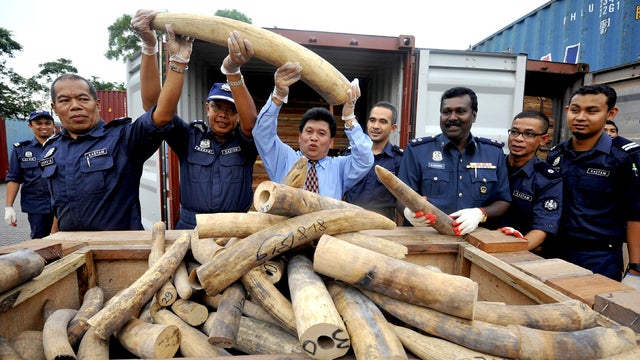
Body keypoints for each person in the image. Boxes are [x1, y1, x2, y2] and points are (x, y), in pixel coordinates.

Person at [38, 23, 193, 231]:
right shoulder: (51, 150)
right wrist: (54, 243)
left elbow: (161, 114)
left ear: (97, 104)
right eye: (65, 100)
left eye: (83, 98)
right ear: (55, 108)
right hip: (71, 250)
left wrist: (176, 61)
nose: (75, 106)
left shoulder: (123, 139)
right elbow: (60, 208)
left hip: (121, 251)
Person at [133, 9, 259, 229]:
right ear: (206, 108)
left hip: (235, 231)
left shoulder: (245, 143)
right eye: (217, 107)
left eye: (231, 110)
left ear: (238, 115)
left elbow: (252, 124)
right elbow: (155, 109)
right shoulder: (189, 136)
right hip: (191, 229)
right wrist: (159, 51)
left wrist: (234, 72)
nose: (223, 115)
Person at [545, 84, 640, 286]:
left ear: (611, 113)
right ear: (567, 111)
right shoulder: (556, 154)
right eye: (576, 109)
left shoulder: (626, 156)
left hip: (598, 259)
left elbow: (636, 214)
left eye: (592, 111)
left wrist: (636, 268)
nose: (580, 117)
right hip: (553, 253)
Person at [398, 86, 511, 236]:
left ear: (474, 115)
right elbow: (401, 196)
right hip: (425, 238)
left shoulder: (493, 153)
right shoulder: (417, 150)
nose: (452, 117)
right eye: (446, 112)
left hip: (475, 240)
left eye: (460, 111)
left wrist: (480, 213)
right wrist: (408, 212)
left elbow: (503, 201)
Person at [252, 61, 374, 200]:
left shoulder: (339, 167)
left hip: (328, 222)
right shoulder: (284, 158)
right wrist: (278, 95)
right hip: (287, 222)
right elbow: (262, 134)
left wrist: (349, 117)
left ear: (331, 142)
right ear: (299, 137)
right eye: (309, 131)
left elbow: (365, 159)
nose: (314, 138)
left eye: (322, 133)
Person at [496, 110, 562, 251]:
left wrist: (511, 251)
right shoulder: (493, 166)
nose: (518, 138)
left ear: (544, 139)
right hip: (481, 242)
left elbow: (542, 228)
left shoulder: (547, 179)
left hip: (519, 249)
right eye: (514, 132)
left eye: (529, 134)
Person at [344, 101, 403, 221]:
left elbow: (402, 200)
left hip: (383, 225)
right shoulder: (351, 155)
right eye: (372, 120)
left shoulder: (399, 159)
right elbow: (341, 193)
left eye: (383, 121)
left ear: (393, 128)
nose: (376, 126)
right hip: (351, 222)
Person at [4, 110, 56, 238]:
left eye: (47, 123)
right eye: (38, 123)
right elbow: (14, 178)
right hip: (36, 205)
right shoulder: (21, 149)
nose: (43, 126)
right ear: (30, 126)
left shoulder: (63, 146)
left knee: (65, 240)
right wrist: (8, 207)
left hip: (62, 204)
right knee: (40, 241)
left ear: (53, 125)